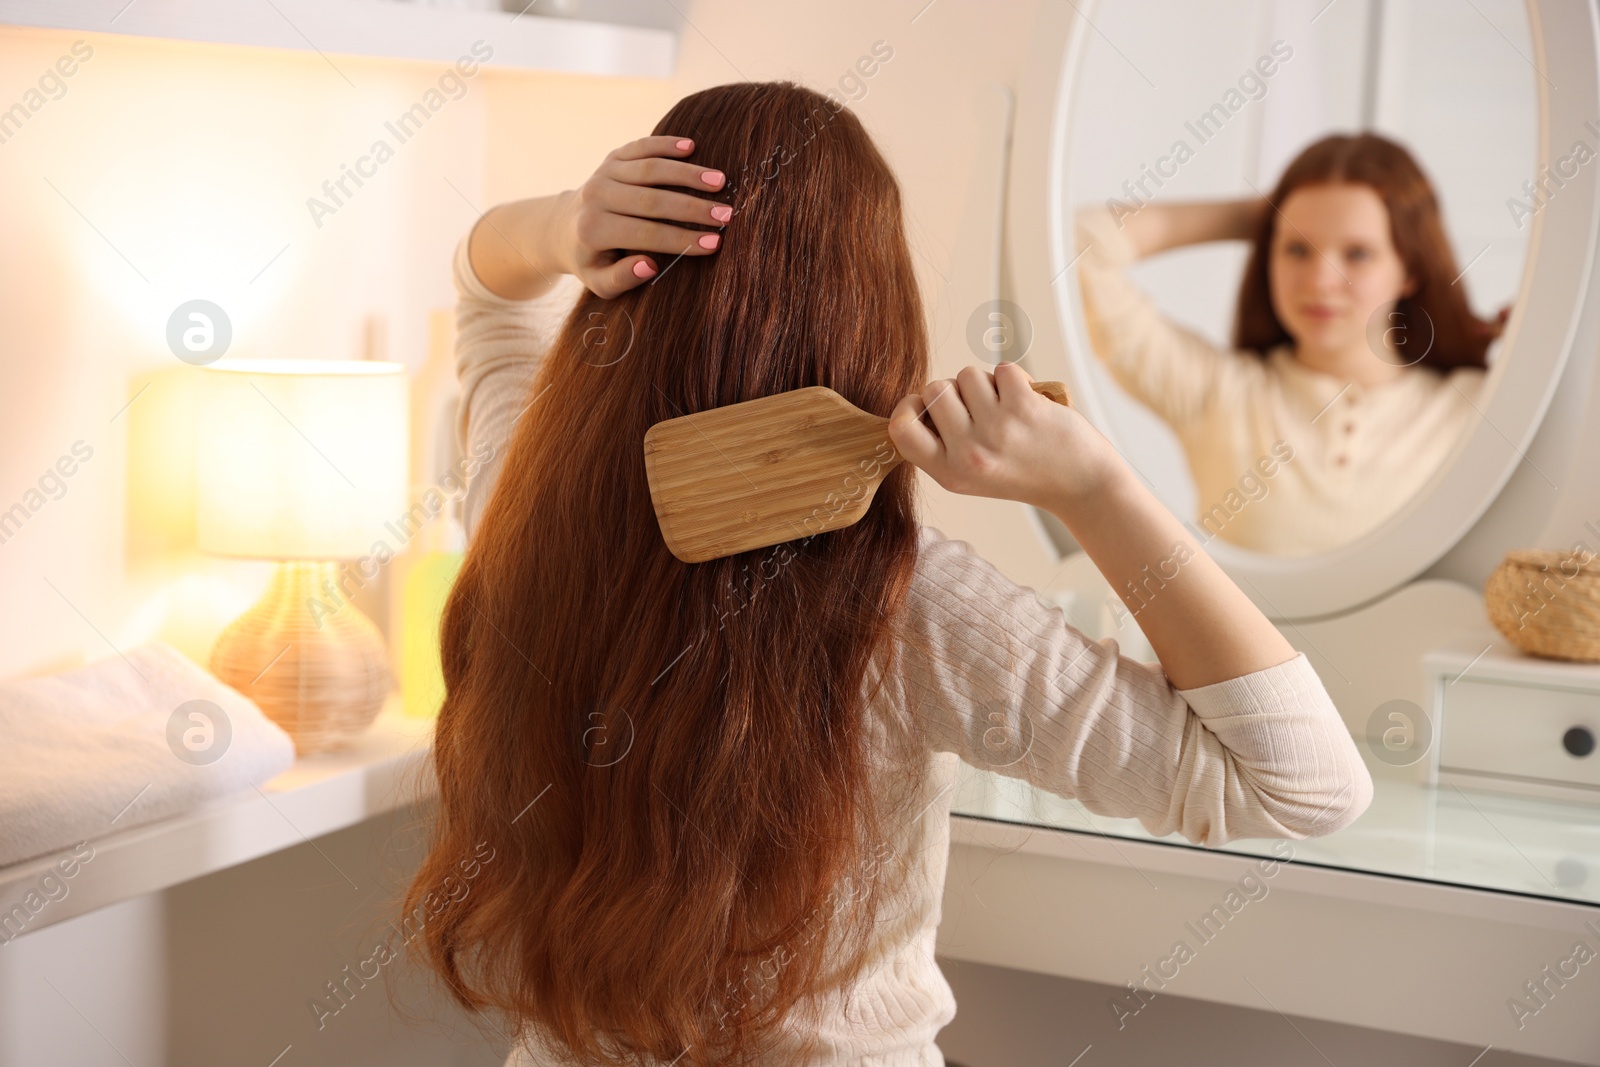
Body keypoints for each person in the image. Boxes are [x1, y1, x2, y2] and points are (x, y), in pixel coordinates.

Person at [399, 81, 1373, 1067]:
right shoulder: (904, 608)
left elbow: (487, 290)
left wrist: (563, 222)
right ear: (871, 309)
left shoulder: (519, 510)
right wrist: (1094, 486)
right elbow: (1304, 785)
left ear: (622, 288)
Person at [1074, 132, 1509, 557]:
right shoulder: (1214, 391)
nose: (1320, 280)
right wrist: (1254, 217)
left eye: (1357, 253)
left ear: (1410, 270)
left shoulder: (1473, 406)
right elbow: (1079, 246)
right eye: (1297, 249)